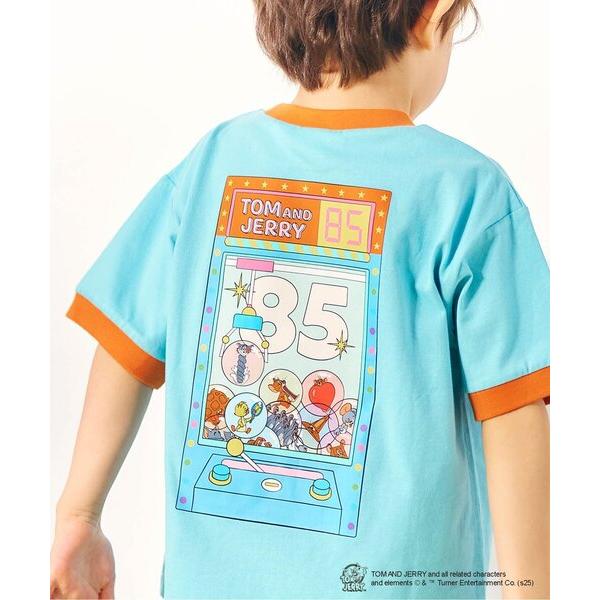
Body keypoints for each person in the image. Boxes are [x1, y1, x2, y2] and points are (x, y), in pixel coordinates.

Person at [51, 1, 550, 598]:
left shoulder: (215, 162)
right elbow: (513, 406)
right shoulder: (465, 190)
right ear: (432, 16)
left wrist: (79, 513)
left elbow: (125, 340)